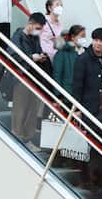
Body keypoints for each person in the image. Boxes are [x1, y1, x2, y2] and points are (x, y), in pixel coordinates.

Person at [10, 12, 50, 145]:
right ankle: (17, 136)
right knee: (20, 109)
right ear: (30, 24)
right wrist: (32, 57)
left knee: (32, 110)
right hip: (22, 77)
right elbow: (14, 56)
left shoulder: (34, 39)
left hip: (34, 78)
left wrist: (40, 57)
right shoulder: (18, 36)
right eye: (38, 28)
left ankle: (27, 139)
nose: (39, 31)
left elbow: (36, 52)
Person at [53, 25, 85, 95]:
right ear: (73, 37)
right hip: (68, 94)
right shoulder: (62, 53)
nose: (84, 39)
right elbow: (57, 75)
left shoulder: (85, 52)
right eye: (81, 36)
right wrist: (58, 95)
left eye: (84, 36)